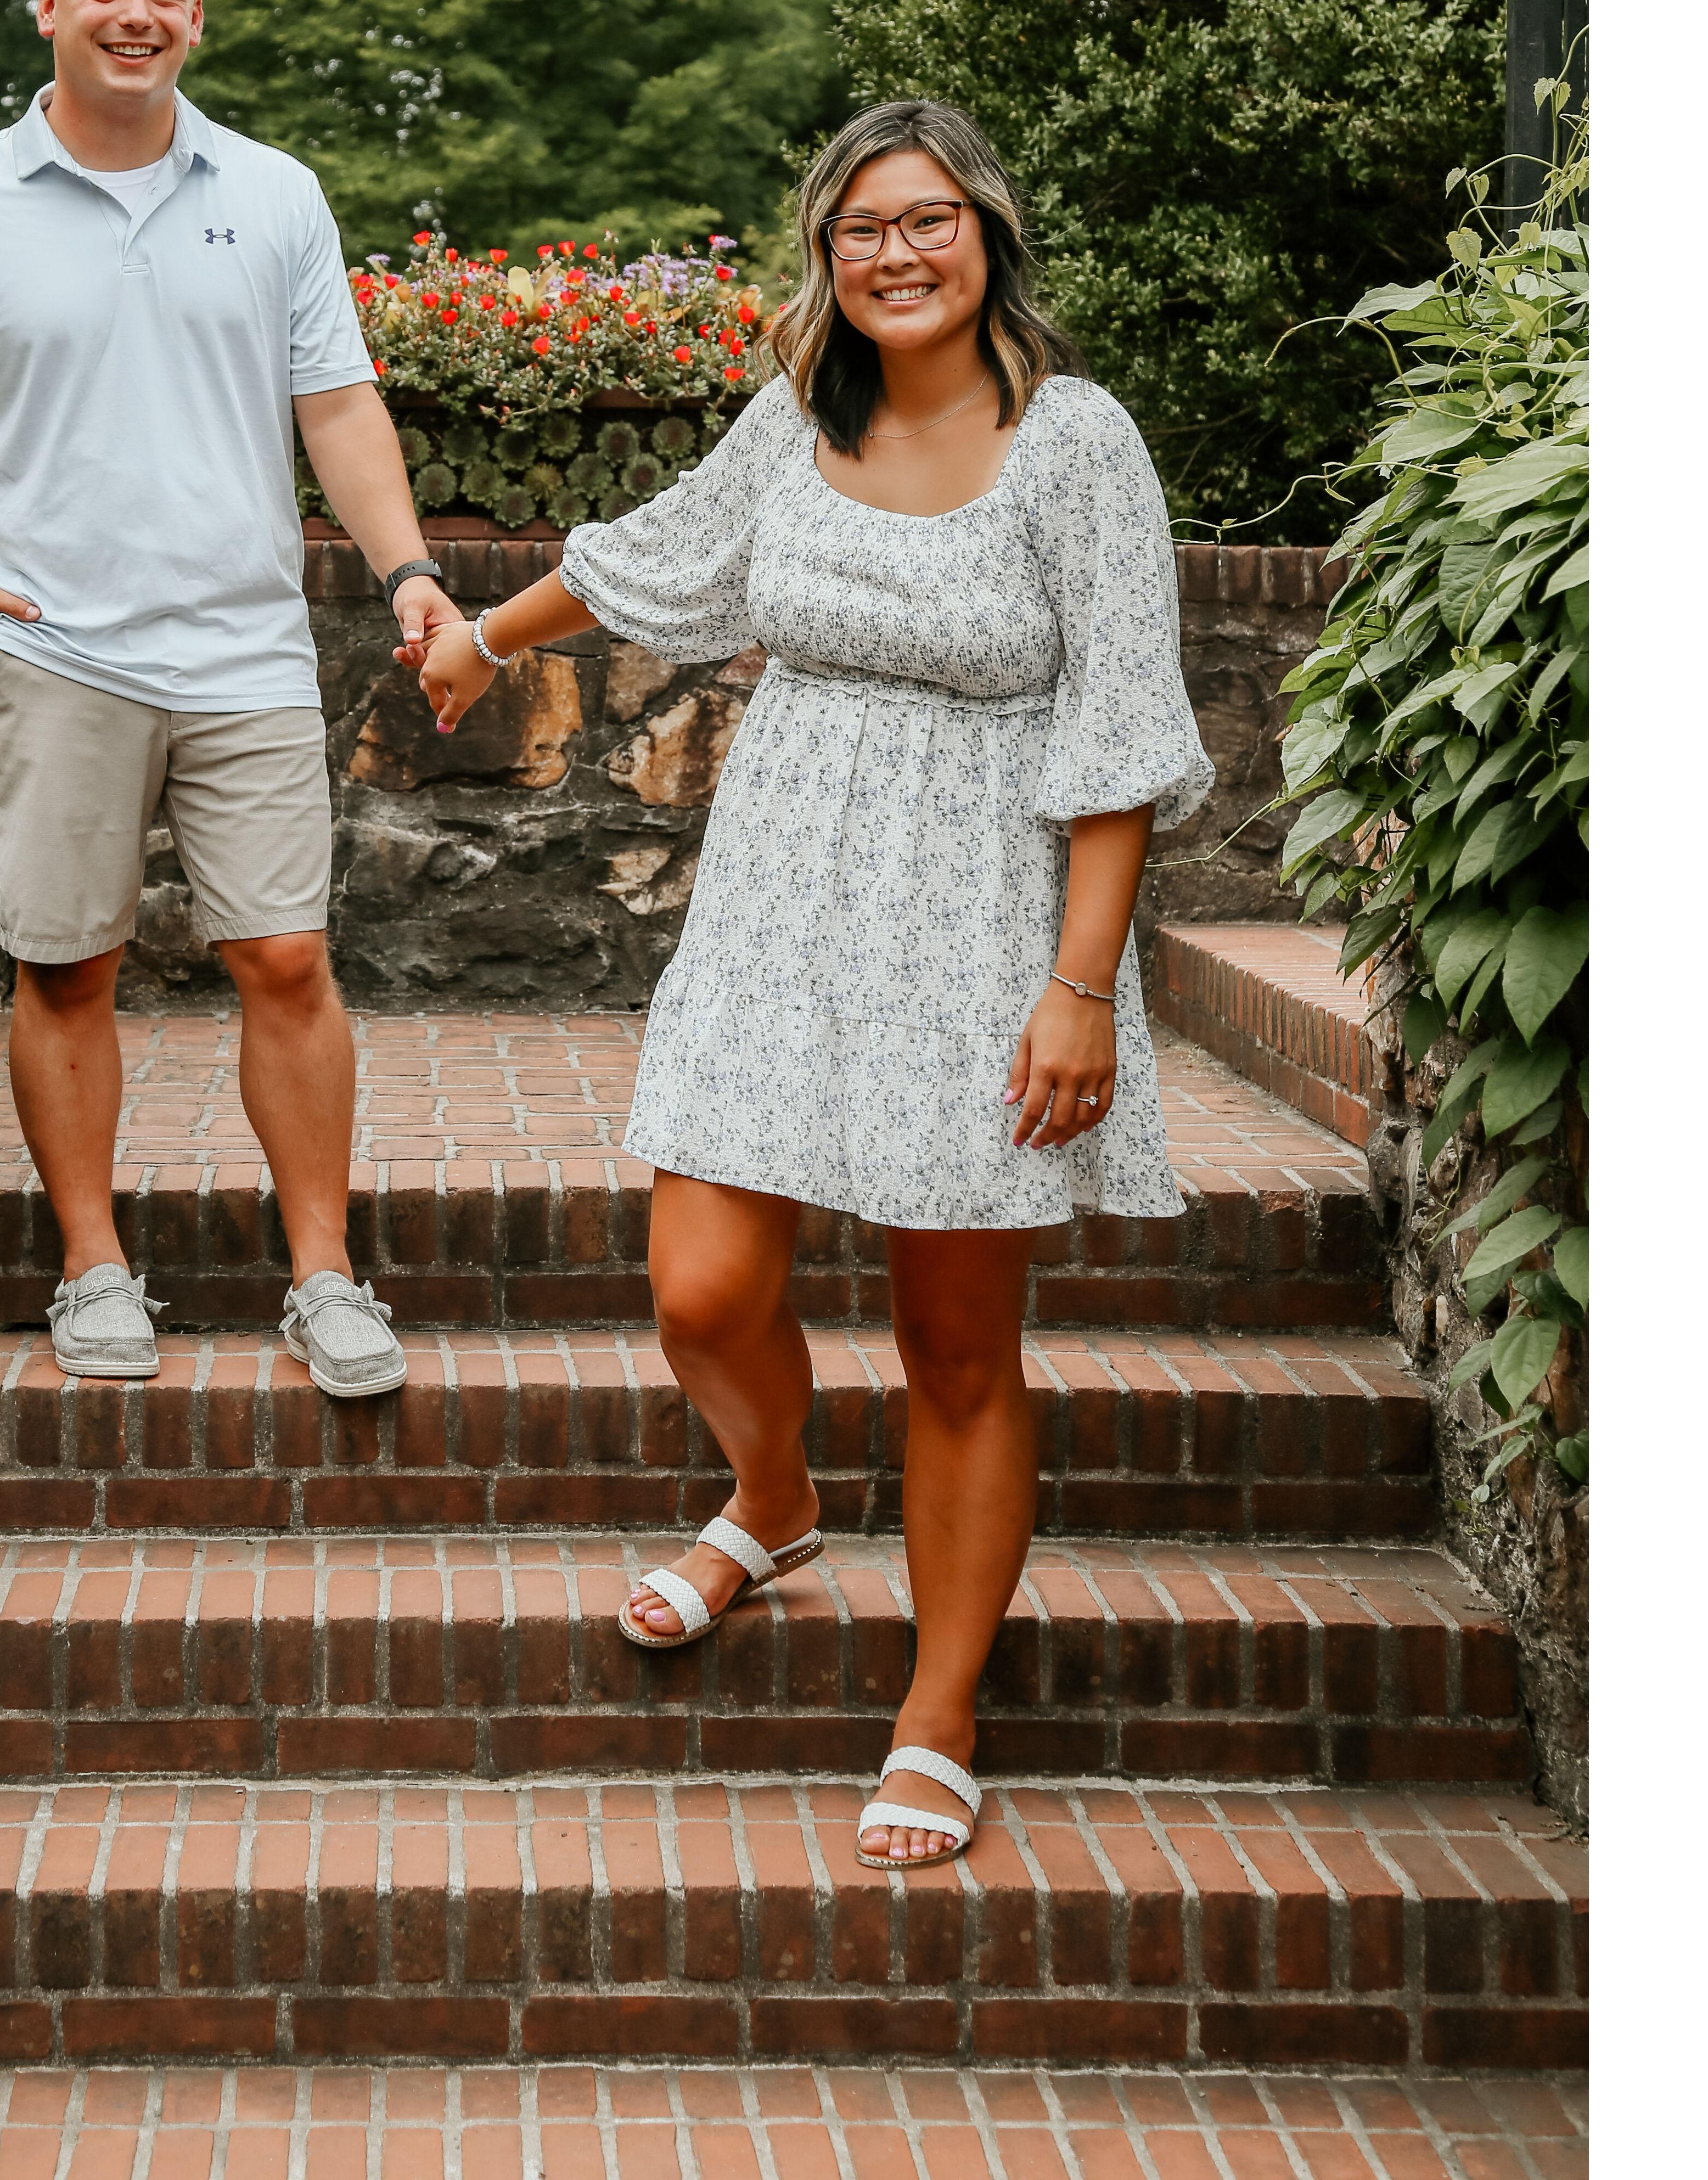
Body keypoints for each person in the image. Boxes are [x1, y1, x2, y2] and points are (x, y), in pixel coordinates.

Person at [412, 98, 1212, 1866]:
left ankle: (936, 1710)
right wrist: (481, 639)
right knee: (698, 1290)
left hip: (988, 924)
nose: (898, 254)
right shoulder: (796, 422)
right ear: (824, 259)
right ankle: (772, 1505)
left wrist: (1079, 989)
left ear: (987, 234)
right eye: (862, 229)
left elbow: (1121, 731)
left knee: (952, 1340)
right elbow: (656, 555)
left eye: (929, 219)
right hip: (780, 911)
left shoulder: (1080, 446)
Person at [0, 0, 463, 1399]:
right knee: (69, 972)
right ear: (49, 9)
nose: (137, 16)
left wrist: (411, 571)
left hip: (243, 645)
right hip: (57, 653)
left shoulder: (277, 193)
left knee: (290, 960)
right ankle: (93, 1267)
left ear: (195, 17)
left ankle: (321, 1275)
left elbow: (336, 405)